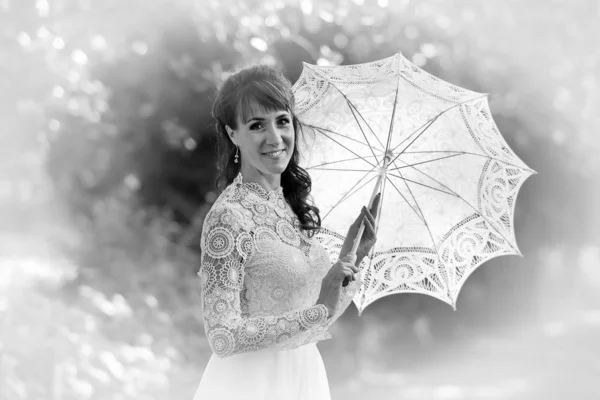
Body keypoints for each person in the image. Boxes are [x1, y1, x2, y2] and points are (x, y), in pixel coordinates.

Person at [193, 64, 380, 400]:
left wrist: (353, 256)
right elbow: (222, 336)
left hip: (303, 377)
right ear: (232, 133)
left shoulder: (289, 205)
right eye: (256, 125)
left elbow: (313, 315)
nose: (275, 137)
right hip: (251, 385)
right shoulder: (229, 217)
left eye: (282, 120)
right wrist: (318, 310)